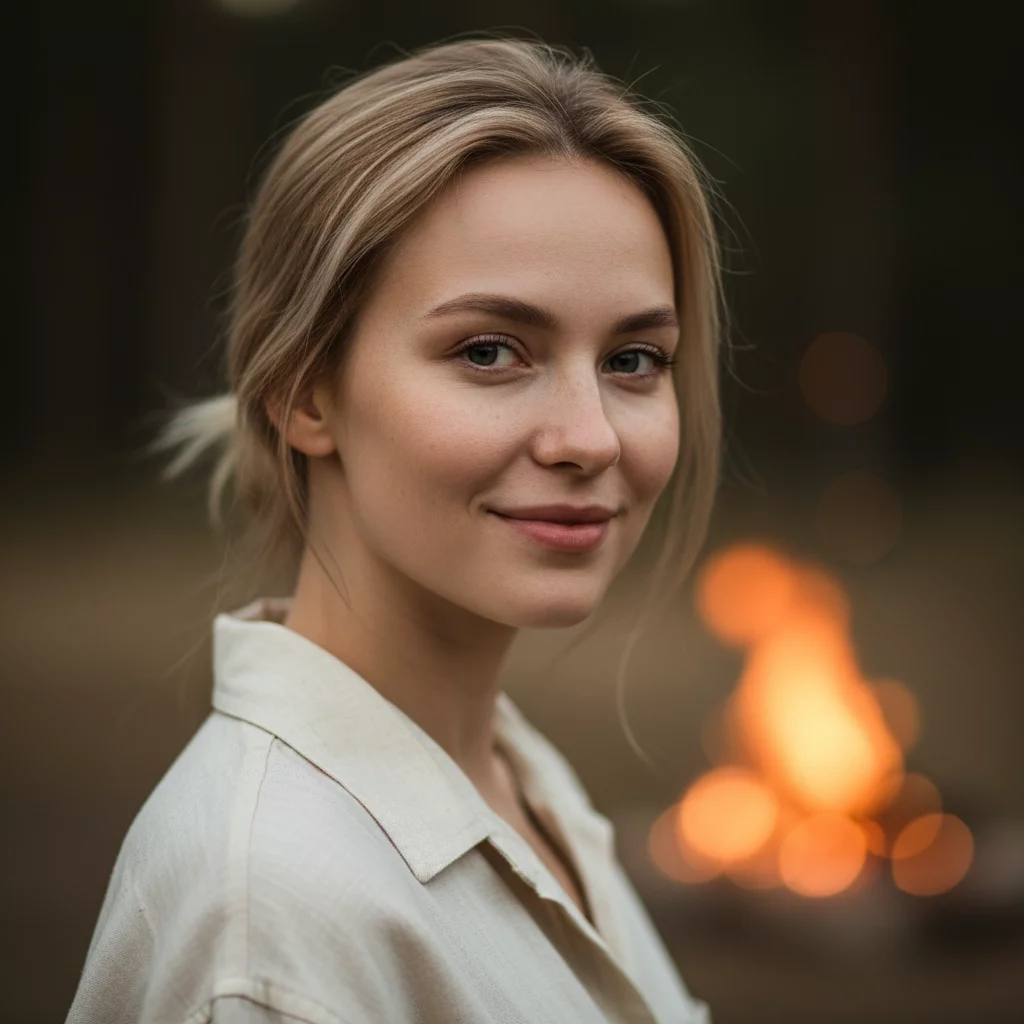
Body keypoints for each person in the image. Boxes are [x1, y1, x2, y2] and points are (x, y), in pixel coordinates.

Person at [67, 35, 725, 1024]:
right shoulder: (274, 927)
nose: (590, 438)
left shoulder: (513, 777)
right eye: (491, 351)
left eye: (633, 359)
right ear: (304, 391)